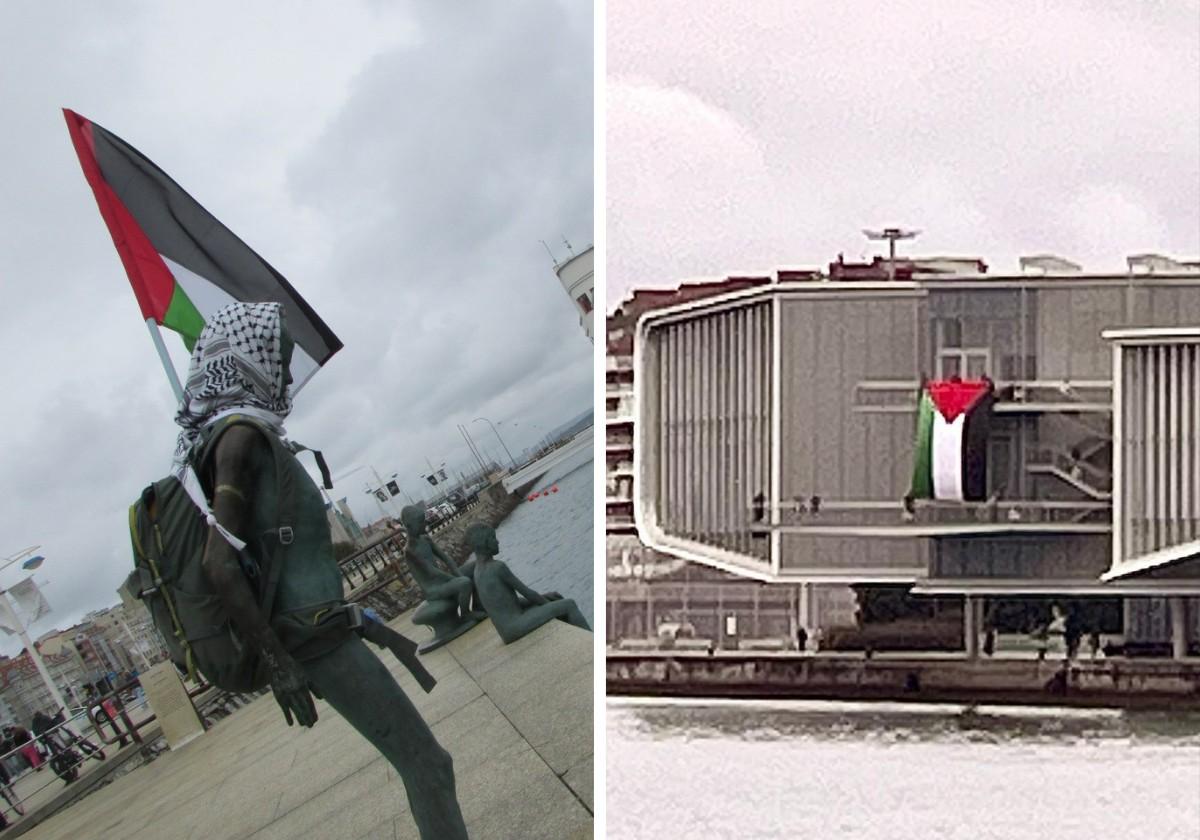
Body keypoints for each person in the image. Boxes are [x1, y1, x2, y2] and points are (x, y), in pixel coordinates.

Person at [179, 302, 466, 839]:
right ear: (247, 359)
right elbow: (219, 563)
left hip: (327, 634)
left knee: (427, 766)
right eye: (278, 359)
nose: (286, 371)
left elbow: (289, 564)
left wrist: (366, 624)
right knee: (429, 766)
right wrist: (279, 662)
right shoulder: (238, 440)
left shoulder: (249, 434)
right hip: (318, 646)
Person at [465, 523, 590, 643]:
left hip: (505, 631)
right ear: (484, 542)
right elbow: (528, 593)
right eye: (493, 538)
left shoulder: (477, 571)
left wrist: (545, 597)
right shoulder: (498, 567)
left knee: (554, 600)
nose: (497, 541)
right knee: (568, 605)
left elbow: (504, 604)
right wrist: (548, 605)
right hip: (515, 627)